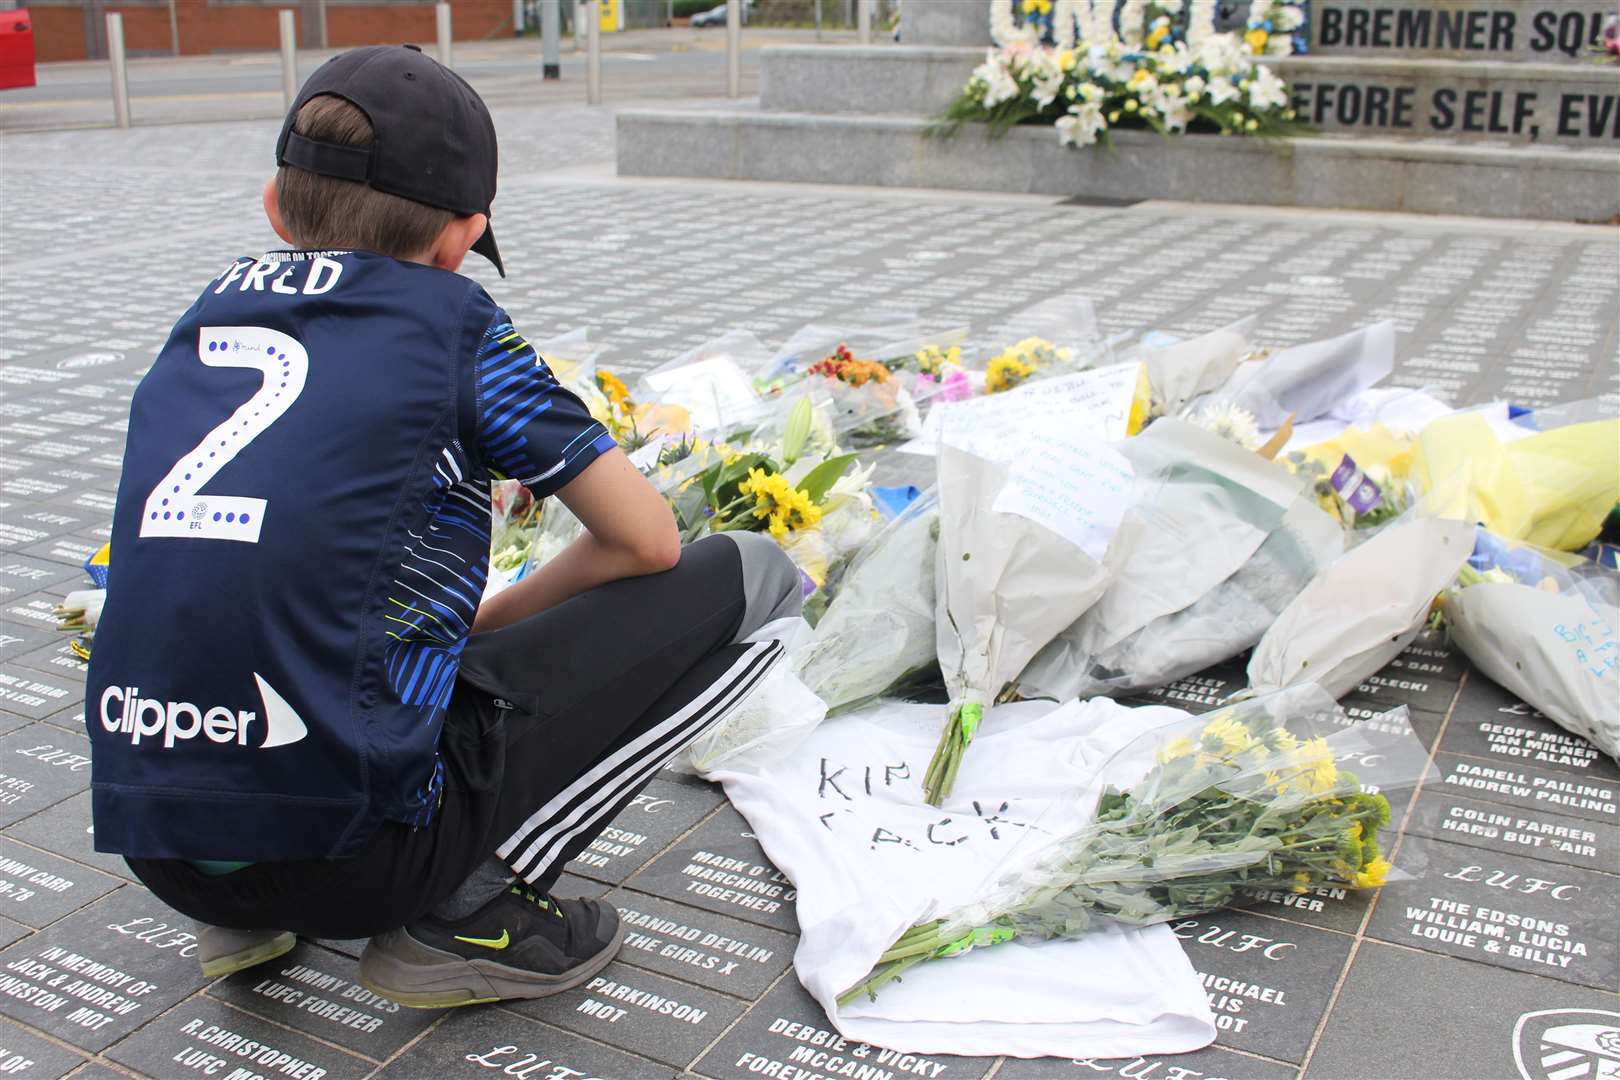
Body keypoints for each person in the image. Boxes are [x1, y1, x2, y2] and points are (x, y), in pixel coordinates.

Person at [84, 45, 799, 1008]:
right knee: (752, 577)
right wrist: (490, 616)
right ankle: (468, 907)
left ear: (274, 208)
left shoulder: (206, 314)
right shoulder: (455, 325)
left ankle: (240, 912)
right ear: (462, 241)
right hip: (363, 860)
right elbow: (648, 541)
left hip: (156, 842)